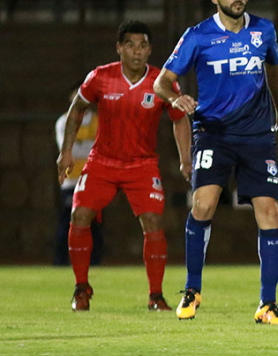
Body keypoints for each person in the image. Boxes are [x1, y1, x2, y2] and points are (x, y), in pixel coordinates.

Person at [154, 0, 278, 325]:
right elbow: (162, 82)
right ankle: (192, 290)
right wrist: (175, 99)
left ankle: (267, 304)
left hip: (256, 136)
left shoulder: (263, 30)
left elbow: (275, 69)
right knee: (203, 205)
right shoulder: (198, 36)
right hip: (214, 134)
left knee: (270, 212)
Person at [56, 20, 192, 312]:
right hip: (102, 162)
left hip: (142, 165)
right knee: (79, 215)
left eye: (143, 45)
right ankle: (81, 288)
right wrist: (66, 152)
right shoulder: (100, 77)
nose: (136, 51)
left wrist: (185, 159)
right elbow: (77, 108)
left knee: (154, 223)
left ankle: (155, 295)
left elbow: (180, 118)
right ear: (119, 48)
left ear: (150, 49)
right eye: (130, 45)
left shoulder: (161, 83)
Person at [54, 82, 103, 266]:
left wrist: (80, 146)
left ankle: (95, 261)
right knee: (67, 221)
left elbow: (98, 148)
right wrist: (86, 146)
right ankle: (60, 261)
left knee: (95, 224)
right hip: (71, 179)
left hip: (93, 180)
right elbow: (68, 150)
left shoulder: (99, 121)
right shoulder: (63, 121)